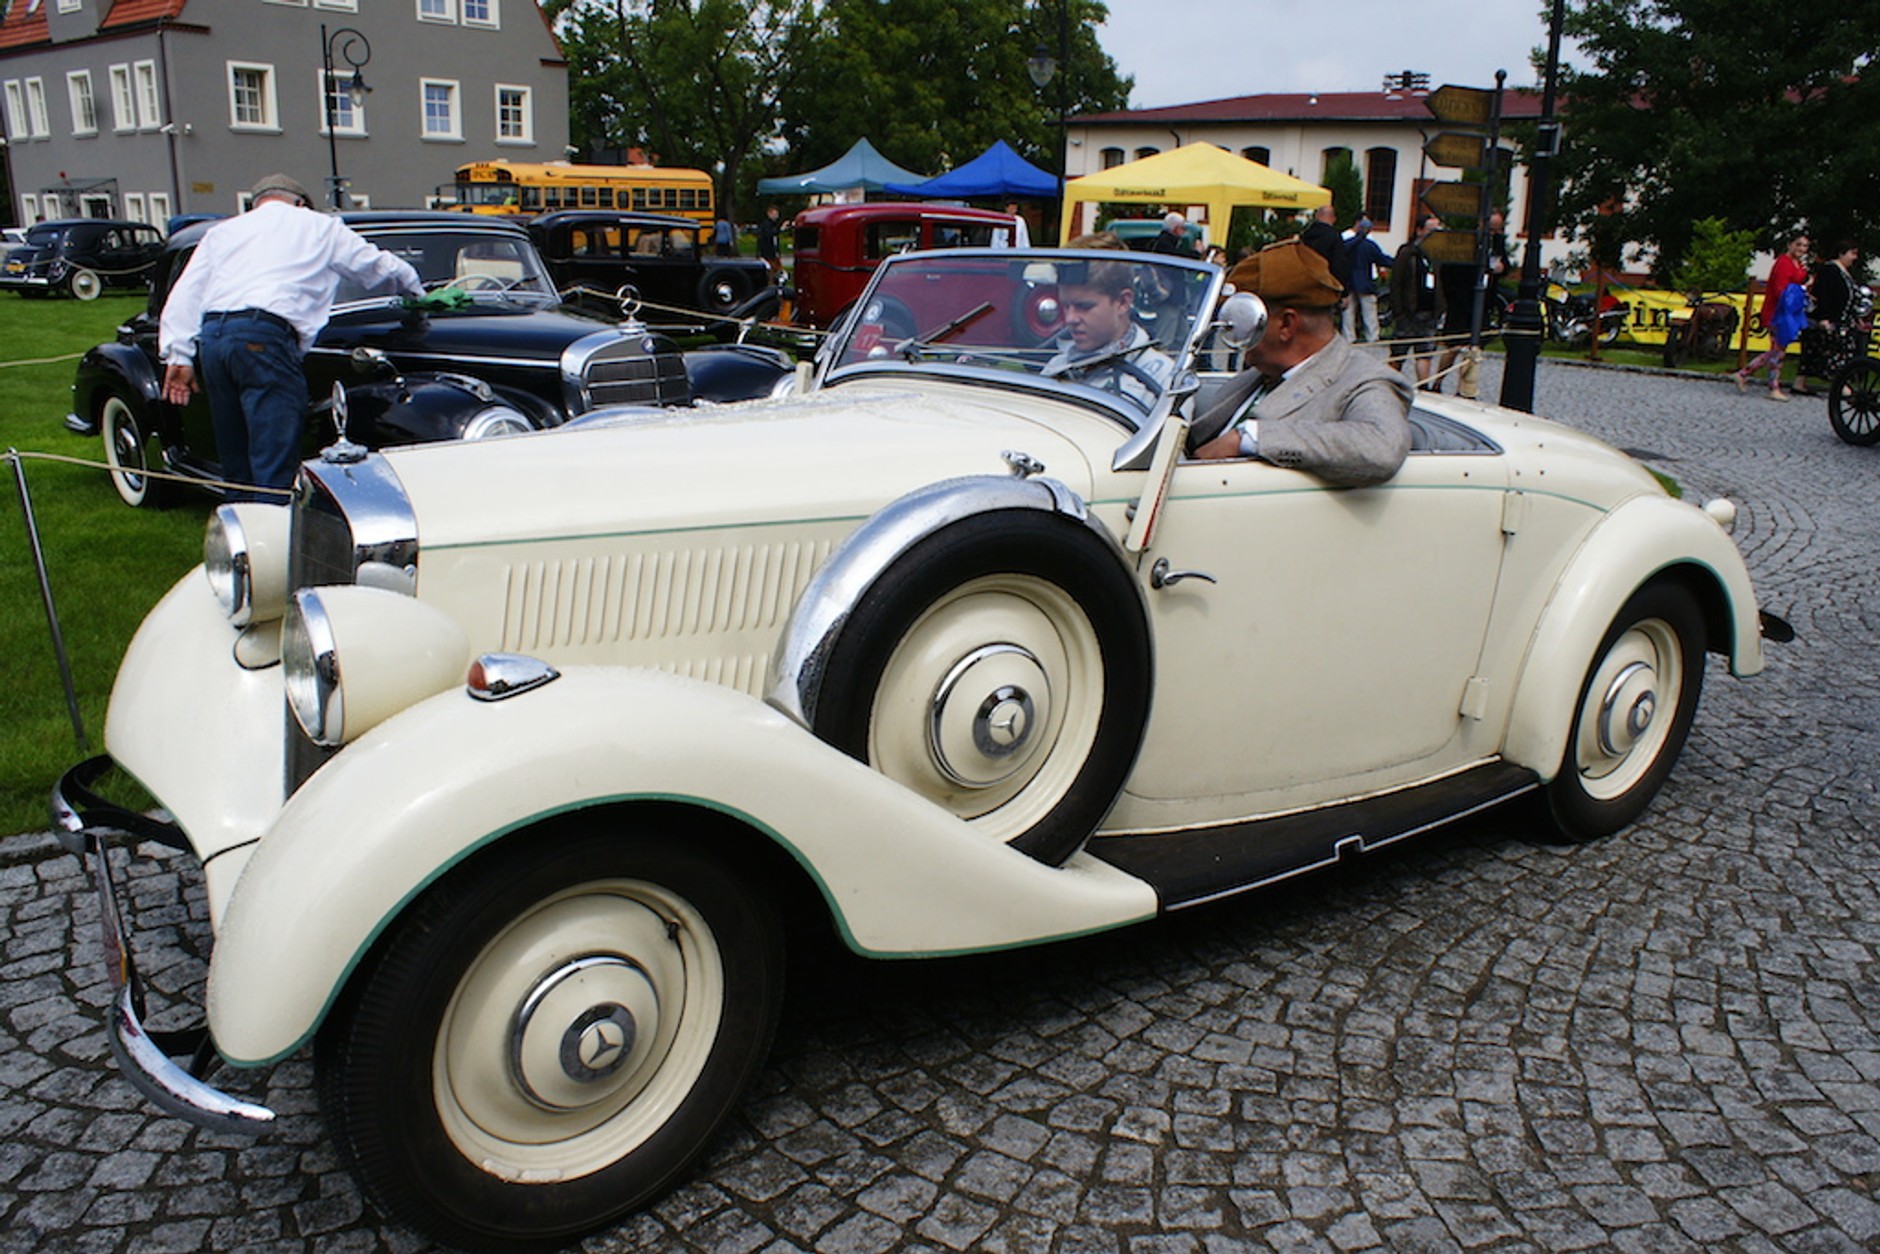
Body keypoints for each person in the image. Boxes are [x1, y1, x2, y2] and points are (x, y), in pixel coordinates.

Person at [158, 173, 425, 497]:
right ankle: (274, 532)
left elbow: (186, 293)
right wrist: (418, 293)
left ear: (256, 203)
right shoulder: (318, 226)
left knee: (235, 453)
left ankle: (241, 534)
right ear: (300, 203)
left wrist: (179, 354)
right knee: (273, 451)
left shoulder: (224, 232)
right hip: (265, 336)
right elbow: (378, 267)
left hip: (214, 338)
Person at [1191, 239, 1412, 487]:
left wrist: (1249, 438)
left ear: (1286, 324)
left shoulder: (1363, 381)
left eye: (1243, 320)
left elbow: (1381, 445)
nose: (1232, 335)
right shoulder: (1253, 378)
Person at [1042, 254, 1174, 412]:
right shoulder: (1055, 367)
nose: (1070, 319)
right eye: (1065, 306)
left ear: (1123, 302)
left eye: (1084, 307)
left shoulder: (1164, 378)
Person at [1735, 233, 1810, 400]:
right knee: (1777, 350)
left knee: (1778, 349)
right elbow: (1780, 291)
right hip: (1777, 312)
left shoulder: (1797, 264)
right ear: (1790, 245)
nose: (1801, 249)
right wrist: (1802, 291)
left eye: (1805, 246)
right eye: (1798, 245)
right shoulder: (1783, 263)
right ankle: (1764, 382)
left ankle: (1753, 377)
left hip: (1787, 312)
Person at [1796, 240, 1868, 396]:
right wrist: (1824, 318)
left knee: (1836, 351)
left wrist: (1858, 318)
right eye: (1852, 254)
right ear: (1842, 253)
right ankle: (1839, 385)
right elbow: (1824, 295)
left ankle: (1801, 382)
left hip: (1845, 319)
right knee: (1832, 351)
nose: (1854, 258)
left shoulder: (1846, 272)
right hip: (1832, 319)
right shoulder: (1830, 270)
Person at [1388, 214, 1444, 389]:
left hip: (1428, 311)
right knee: (1398, 353)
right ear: (1419, 230)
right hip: (1408, 311)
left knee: (1425, 353)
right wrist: (1398, 311)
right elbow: (1396, 283)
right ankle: (1388, 386)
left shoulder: (1437, 255)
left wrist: (1440, 307)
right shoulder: (1407, 252)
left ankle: (1423, 389)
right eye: (1430, 230)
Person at [1337, 217, 1392, 343]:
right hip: (1365, 283)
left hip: (1348, 282)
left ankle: (1349, 337)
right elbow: (1382, 259)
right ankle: (1372, 337)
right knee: (1369, 312)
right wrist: (1397, 262)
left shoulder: (1347, 244)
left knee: (1348, 313)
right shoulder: (1369, 246)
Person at [756, 205, 784, 277]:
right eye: (774, 214)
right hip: (768, 252)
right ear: (769, 214)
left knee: (777, 269)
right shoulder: (766, 225)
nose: (776, 216)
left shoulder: (772, 225)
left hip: (773, 252)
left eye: (777, 214)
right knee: (771, 270)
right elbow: (769, 235)